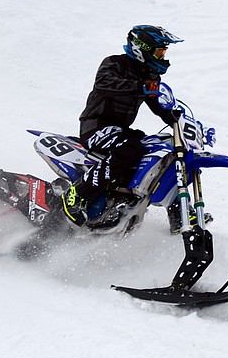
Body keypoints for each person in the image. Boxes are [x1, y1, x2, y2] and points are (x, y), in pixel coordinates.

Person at [63, 25, 185, 226]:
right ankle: (77, 195)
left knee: (160, 150)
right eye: (159, 51)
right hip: (96, 127)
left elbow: (155, 103)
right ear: (142, 48)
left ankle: (176, 214)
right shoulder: (114, 63)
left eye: (164, 51)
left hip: (120, 130)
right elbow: (105, 83)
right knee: (130, 148)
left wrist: (172, 117)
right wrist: (140, 87)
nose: (162, 56)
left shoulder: (151, 74)